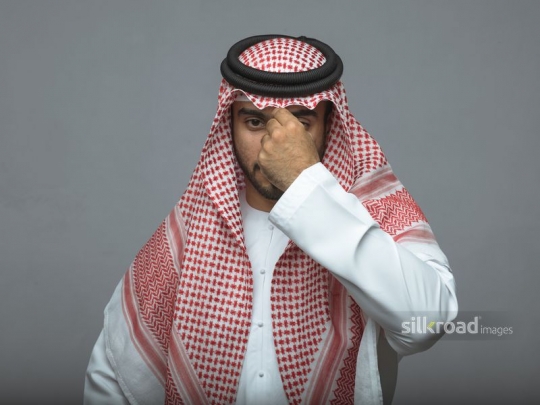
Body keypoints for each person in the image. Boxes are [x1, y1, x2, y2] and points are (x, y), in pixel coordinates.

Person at [84, 35, 458, 405]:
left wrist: (306, 183)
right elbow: (114, 375)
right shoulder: (188, 235)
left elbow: (426, 324)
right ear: (229, 126)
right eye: (254, 121)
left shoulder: (371, 214)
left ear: (329, 125)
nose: (275, 142)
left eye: (300, 123)